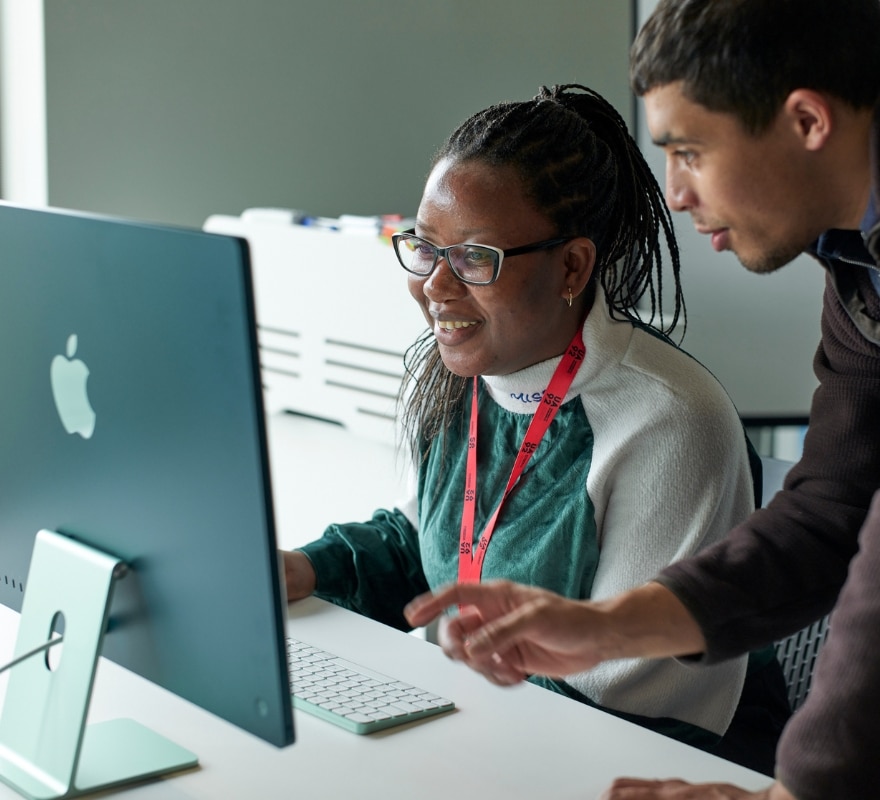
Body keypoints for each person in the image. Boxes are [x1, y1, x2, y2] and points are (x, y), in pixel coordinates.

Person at [404, 2, 880, 798]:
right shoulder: (857, 263)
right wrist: (605, 628)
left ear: (805, 121)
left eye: (690, 151)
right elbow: (834, 507)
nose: (676, 193)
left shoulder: (667, 406)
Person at [282, 83, 791, 772]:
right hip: (493, 739)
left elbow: (622, 700)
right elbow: (422, 548)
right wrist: (303, 568)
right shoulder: (468, 371)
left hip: (657, 769)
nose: (435, 284)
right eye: (425, 248)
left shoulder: (669, 420)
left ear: (572, 267)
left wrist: (436, 730)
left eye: (473, 258)